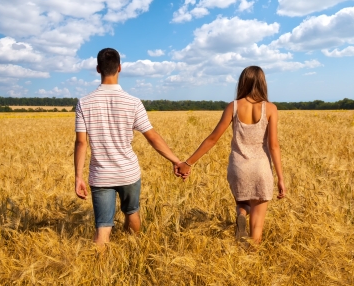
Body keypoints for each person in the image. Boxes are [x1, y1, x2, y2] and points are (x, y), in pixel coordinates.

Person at [74, 48, 185, 246]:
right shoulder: (133, 102)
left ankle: (99, 273)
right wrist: (176, 160)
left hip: (101, 175)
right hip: (128, 173)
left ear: (98, 69)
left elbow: (81, 142)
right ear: (120, 68)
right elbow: (152, 137)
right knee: (132, 213)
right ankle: (135, 252)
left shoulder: (84, 103)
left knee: (102, 228)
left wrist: (78, 177)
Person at [176, 66, 286, 244]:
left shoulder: (233, 106)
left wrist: (188, 163)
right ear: (263, 83)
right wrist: (281, 178)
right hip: (261, 168)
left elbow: (212, 139)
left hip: (238, 168)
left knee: (243, 202)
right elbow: (274, 146)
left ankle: (241, 213)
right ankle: (251, 255)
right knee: (257, 224)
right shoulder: (271, 108)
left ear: (243, 82)